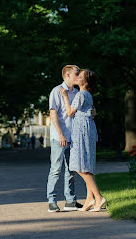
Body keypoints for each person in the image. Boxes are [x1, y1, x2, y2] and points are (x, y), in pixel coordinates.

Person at [59, 69, 106, 212]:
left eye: (80, 76)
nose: (77, 76)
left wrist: (65, 96)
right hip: (88, 129)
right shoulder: (88, 95)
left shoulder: (80, 94)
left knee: (80, 166)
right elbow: (92, 111)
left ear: (84, 82)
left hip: (82, 131)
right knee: (85, 164)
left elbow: (69, 112)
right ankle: (89, 200)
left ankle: (98, 197)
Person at [46, 65, 83, 212]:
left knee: (71, 170)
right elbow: (53, 114)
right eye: (76, 74)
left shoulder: (77, 92)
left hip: (73, 137)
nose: (79, 76)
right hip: (59, 137)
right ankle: (52, 201)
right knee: (56, 169)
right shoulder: (56, 91)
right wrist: (60, 133)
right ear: (67, 75)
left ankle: (70, 201)